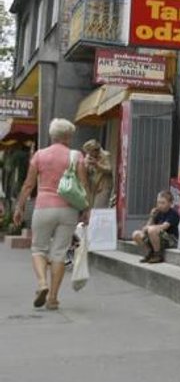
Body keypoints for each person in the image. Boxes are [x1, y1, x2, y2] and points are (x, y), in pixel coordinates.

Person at [12, 119, 89, 311]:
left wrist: (19, 207)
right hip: (68, 209)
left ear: (52, 135)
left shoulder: (40, 155)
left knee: (38, 248)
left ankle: (41, 284)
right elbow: (84, 185)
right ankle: (53, 298)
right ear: (68, 137)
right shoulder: (76, 155)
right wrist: (87, 210)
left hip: (44, 207)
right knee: (59, 253)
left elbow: (29, 185)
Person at [132, 190, 180, 264]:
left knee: (152, 230)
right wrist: (152, 217)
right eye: (158, 202)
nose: (160, 205)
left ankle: (158, 255)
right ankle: (150, 253)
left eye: (163, 203)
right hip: (157, 238)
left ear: (170, 203)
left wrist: (149, 228)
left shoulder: (173, 213)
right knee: (136, 234)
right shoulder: (158, 212)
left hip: (171, 240)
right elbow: (145, 229)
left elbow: (164, 226)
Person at [82, 139, 114, 209]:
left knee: (99, 208)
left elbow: (109, 169)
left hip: (103, 186)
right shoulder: (89, 157)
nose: (89, 154)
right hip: (92, 186)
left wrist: (97, 165)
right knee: (91, 208)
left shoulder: (105, 155)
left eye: (90, 152)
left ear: (95, 150)